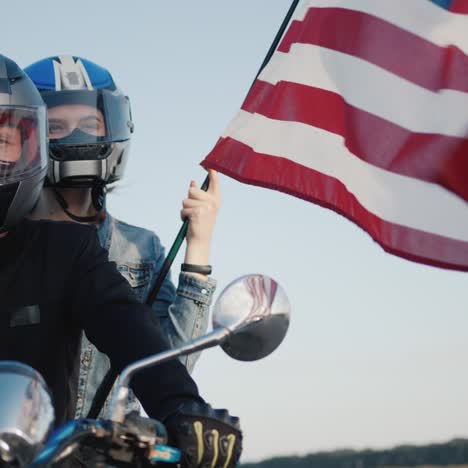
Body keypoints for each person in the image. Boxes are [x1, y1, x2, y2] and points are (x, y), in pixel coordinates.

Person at [0, 53, 241, 468]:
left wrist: (180, 405)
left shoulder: (82, 249)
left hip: (91, 450)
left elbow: (145, 342)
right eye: (56, 124)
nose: (74, 135)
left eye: (88, 122)